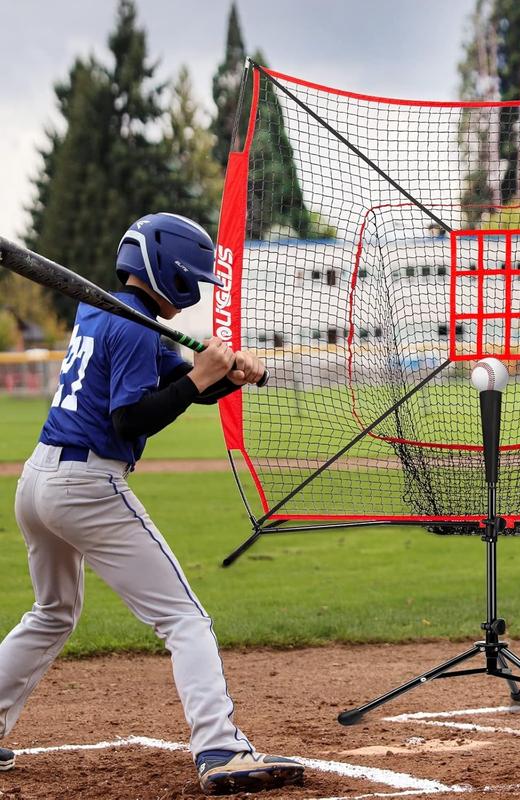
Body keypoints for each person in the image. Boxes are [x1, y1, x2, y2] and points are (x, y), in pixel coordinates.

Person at [0, 213, 304, 796]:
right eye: (192, 279)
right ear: (169, 271)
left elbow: (183, 384)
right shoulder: (134, 324)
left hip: (39, 480)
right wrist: (199, 380)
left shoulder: (108, 312)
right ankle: (220, 748)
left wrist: (226, 375)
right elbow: (131, 417)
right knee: (185, 619)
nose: (195, 292)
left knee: (54, 610)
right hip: (87, 484)